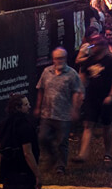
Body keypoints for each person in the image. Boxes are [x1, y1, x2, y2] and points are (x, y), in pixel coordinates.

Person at [34, 47, 83, 175]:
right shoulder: (46, 72)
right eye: (56, 58)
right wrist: (38, 107)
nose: (59, 60)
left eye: (61, 58)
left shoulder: (71, 74)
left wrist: (75, 108)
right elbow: (41, 89)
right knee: (42, 137)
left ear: (65, 58)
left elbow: (77, 92)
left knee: (62, 141)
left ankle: (61, 165)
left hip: (63, 114)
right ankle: (52, 156)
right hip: (47, 112)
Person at [75, 38, 112, 164]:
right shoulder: (89, 60)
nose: (92, 48)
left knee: (107, 125)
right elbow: (83, 76)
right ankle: (83, 154)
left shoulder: (110, 61)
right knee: (88, 124)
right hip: (91, 97)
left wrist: (111, 95)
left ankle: (108, 153)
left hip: (105, 97)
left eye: (95, 45)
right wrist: (81, 92)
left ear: (102, 46)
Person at [0, 93, 40, 189]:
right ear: (18, 108)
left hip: (8, 175)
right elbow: (28, 153)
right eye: (26, 104)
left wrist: (5, 166)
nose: (29, 106)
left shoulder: (1, 125)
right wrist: (37, 174)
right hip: (25, 176)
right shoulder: (26, 126)